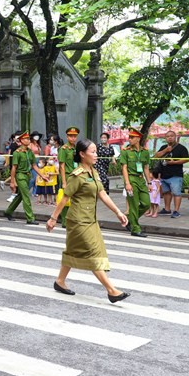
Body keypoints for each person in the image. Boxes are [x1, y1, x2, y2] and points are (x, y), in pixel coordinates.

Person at [46, 139, 131, 303]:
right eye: (92, 152)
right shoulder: (77, 175)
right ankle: (111, 290)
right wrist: (53, 218)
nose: (96, 155)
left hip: (90, 219)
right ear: (82, 154)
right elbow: (65, 198)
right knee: (92, 253)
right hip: (78, 220)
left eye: (96, 151)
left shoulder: (93, 172)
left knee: (73, 250)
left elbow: (103, 194)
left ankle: (60, 281)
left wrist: (118, 212)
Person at [4, 131, 48, 224]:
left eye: (28, 139)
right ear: (21, 140)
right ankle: (30, 218)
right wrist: (12, 181)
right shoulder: (17, 152)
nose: (28, 140)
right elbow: (14, 168)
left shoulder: (29, 152)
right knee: (26, 196)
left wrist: (42, 175)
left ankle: (8, 211)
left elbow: (34, 165)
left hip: (28, 175)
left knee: (20, 195)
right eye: (26, 139)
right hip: (20, 175)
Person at [119, 128, 152, 237]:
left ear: (138, 138)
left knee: (146, 203)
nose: (130, 139)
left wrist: (149, 183)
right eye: (129, 137)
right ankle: (135, 229)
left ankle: (130, 220)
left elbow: (146, 168)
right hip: (131, 179)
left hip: (141, 180)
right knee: (133, 205)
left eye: (132, 137)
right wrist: (127, 183)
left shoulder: (145, 152)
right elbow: (124, 168)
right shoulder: (126, 151)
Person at [154, 131, 189, 218]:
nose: (170, 138)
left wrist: (174, 162)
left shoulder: (181, 148)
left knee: (176, 193)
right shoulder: (163, 147)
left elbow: (186, 159)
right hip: (164, 174)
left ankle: (176, 211)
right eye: (168, 136)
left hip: (175, 174)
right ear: (165, 138)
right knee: (166, 192)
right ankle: (167, 209)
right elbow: (156, 156)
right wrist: (166, 150)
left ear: (175, 137)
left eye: (172, 136)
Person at [57, 127, 80, 227]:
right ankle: (64, 221)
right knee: (65, 198)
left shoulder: (76, 149)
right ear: (67, 137)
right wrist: (64, 182)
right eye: (71, 136)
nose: (73, 138)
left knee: (75, 198)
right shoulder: (63, 149)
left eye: (75, 136)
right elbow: (62, 166)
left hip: (75, 175)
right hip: (66, 175)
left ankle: (72, 218)